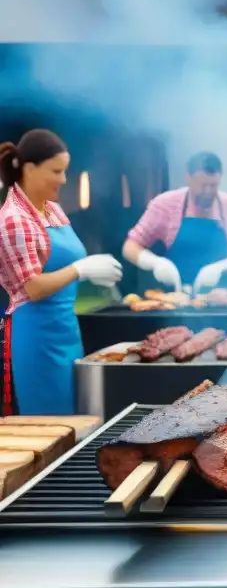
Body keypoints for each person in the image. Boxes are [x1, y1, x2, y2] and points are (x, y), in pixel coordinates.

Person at [0, 130, 122, 416]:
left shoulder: (52, 210)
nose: (64, 179)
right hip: (35, 337)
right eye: (56, 171)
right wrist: (81, 269)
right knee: (49, 423)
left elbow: (65, 259)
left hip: (66, 330)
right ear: (29, 169)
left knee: (75, 420)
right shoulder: (14, 220)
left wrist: (100, 277)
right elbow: (32, 287)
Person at [122, 152, 227, 293]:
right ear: (188, 178)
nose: (208, 191)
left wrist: (225, 266)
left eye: (213, 185)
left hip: (222, 300)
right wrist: (154, 263)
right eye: (202, 185)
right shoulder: (165, 205)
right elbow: (130, 247)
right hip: (174, 301)